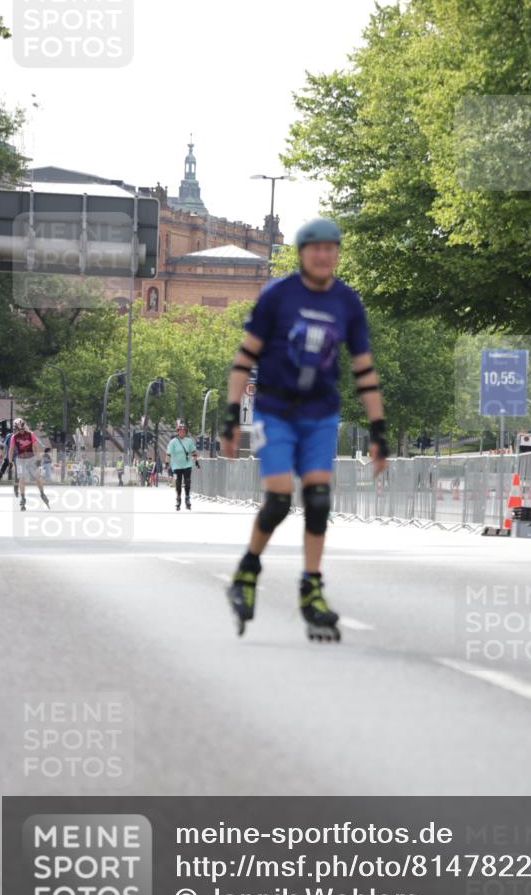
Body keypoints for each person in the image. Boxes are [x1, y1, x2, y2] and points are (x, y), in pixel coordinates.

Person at [222, 216, 389, 642]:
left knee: (318, 500)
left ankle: (311, 589)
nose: (323, 255)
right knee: (278, 501)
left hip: (320, 413)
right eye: (315, 248)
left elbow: (364, 370)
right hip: (274, 411)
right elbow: (245, 358)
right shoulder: (278, 295)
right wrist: (229, 414)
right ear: (302, 254)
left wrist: (378, 429)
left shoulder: (347, 303)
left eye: (331, 248)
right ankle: (247, 570)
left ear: (336, 254)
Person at [8, 418, 50, 511]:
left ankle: (42, 493)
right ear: (16, 429)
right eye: (19, 429)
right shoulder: (14, 437)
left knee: (37, 477)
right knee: (21, 478)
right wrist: (10, 462)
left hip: (31, 459)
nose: (22, 431)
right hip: (20, 460)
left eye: (23, 429)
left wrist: (38, 460)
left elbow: (35, 447)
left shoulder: (31, 434)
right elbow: (11, 449)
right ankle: (23, 498)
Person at [166, 421, 198, 510]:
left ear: (186, 432)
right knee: (178, 483)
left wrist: (196, 462)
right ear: (178, 431)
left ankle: (187, 498)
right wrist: (167, 464)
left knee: (187, 481)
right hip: (176, 466)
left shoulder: (189, 441)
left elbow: (194, 452)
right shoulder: (173, 442)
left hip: (187, 464)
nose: (182, 432)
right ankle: (178, 498)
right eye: (180, 431)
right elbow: (168, 454)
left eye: (184, 431)